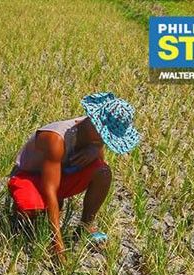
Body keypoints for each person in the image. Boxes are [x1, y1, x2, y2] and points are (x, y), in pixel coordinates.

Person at [7, 92, 141, 260]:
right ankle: (23, 220)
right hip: (31, 177)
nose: (104, 141)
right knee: (32, 211)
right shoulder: (56, 139)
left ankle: (86, 226)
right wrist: (58, 245)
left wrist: (95, 150)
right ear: (94, 124)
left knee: (103, 172)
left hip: (61, 174)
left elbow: (98, 165)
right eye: (105, 136)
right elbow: (51, 191)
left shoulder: (94, 137)